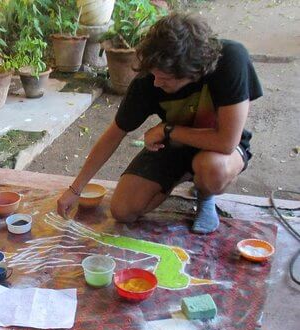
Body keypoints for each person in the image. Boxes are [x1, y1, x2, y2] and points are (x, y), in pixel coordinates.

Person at [57, 13, 262, 234]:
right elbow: (114, 133)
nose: (156, 82)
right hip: (174, 146)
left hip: (218, 149)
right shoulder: (148, 81)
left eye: (164, 79)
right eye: (154, 75)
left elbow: (226, 142)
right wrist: (75, 189)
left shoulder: (231, 59)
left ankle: (205, 194)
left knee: (211, 168)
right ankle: (180, 175)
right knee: (122, 210)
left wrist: (168, 130)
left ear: (192, 72)